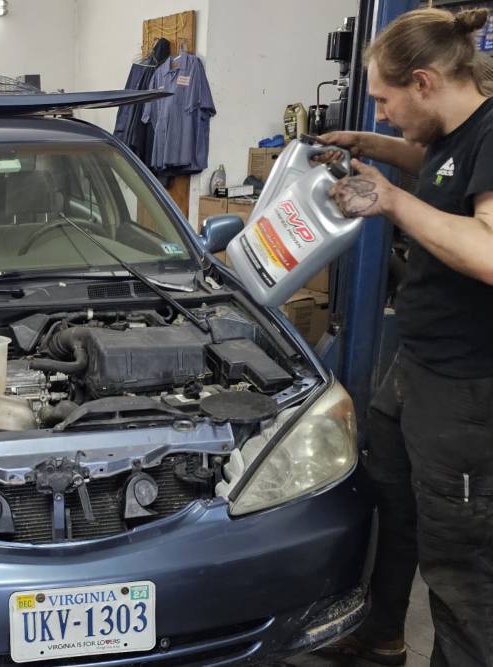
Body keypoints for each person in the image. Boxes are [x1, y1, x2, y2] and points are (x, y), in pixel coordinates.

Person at [314, 7, 493, 667]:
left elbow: (489, 251)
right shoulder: (454, 132)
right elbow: (436, 168)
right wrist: (368, 143)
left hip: (466, 386)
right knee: (392, 507)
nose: (383, 113)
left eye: (385, 102)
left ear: (423, 82)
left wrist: (390, 200)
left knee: (458, 555)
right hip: (416, 363)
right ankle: (383, 634)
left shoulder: (492, 132)